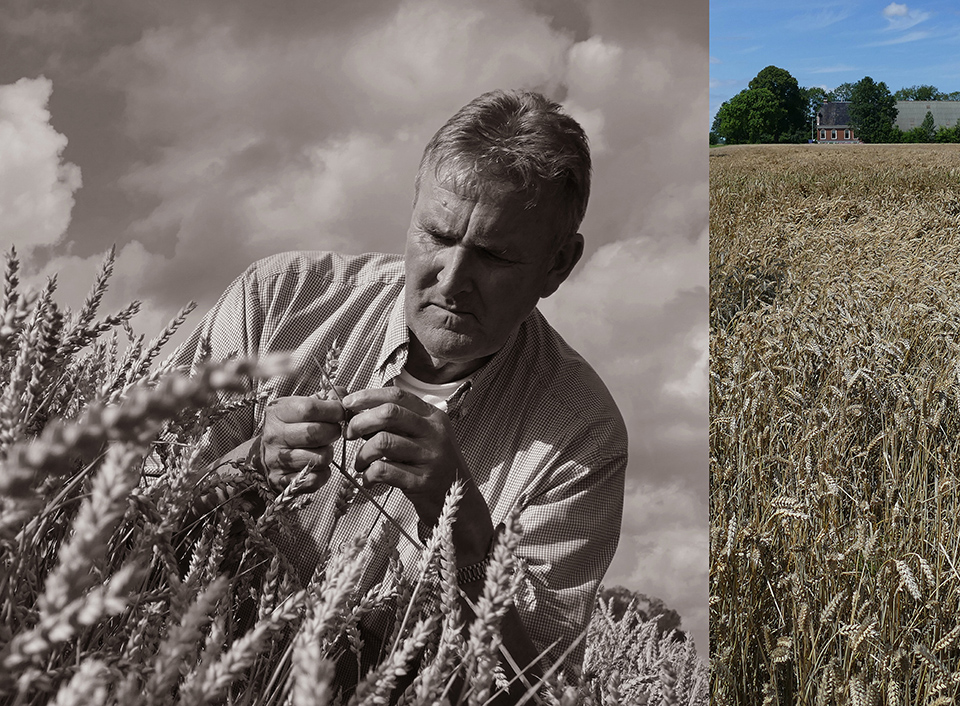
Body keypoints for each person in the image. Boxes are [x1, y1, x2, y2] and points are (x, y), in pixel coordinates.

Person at [173, 88, 627, 695]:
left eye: (494, 256)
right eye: (437, 236)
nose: (453, 280)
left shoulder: (580, 435)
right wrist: (245, 465)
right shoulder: (281, 300)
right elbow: (126, 512)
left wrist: (462, 526)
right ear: (412, 213)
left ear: (558, 265)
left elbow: (533, 689)